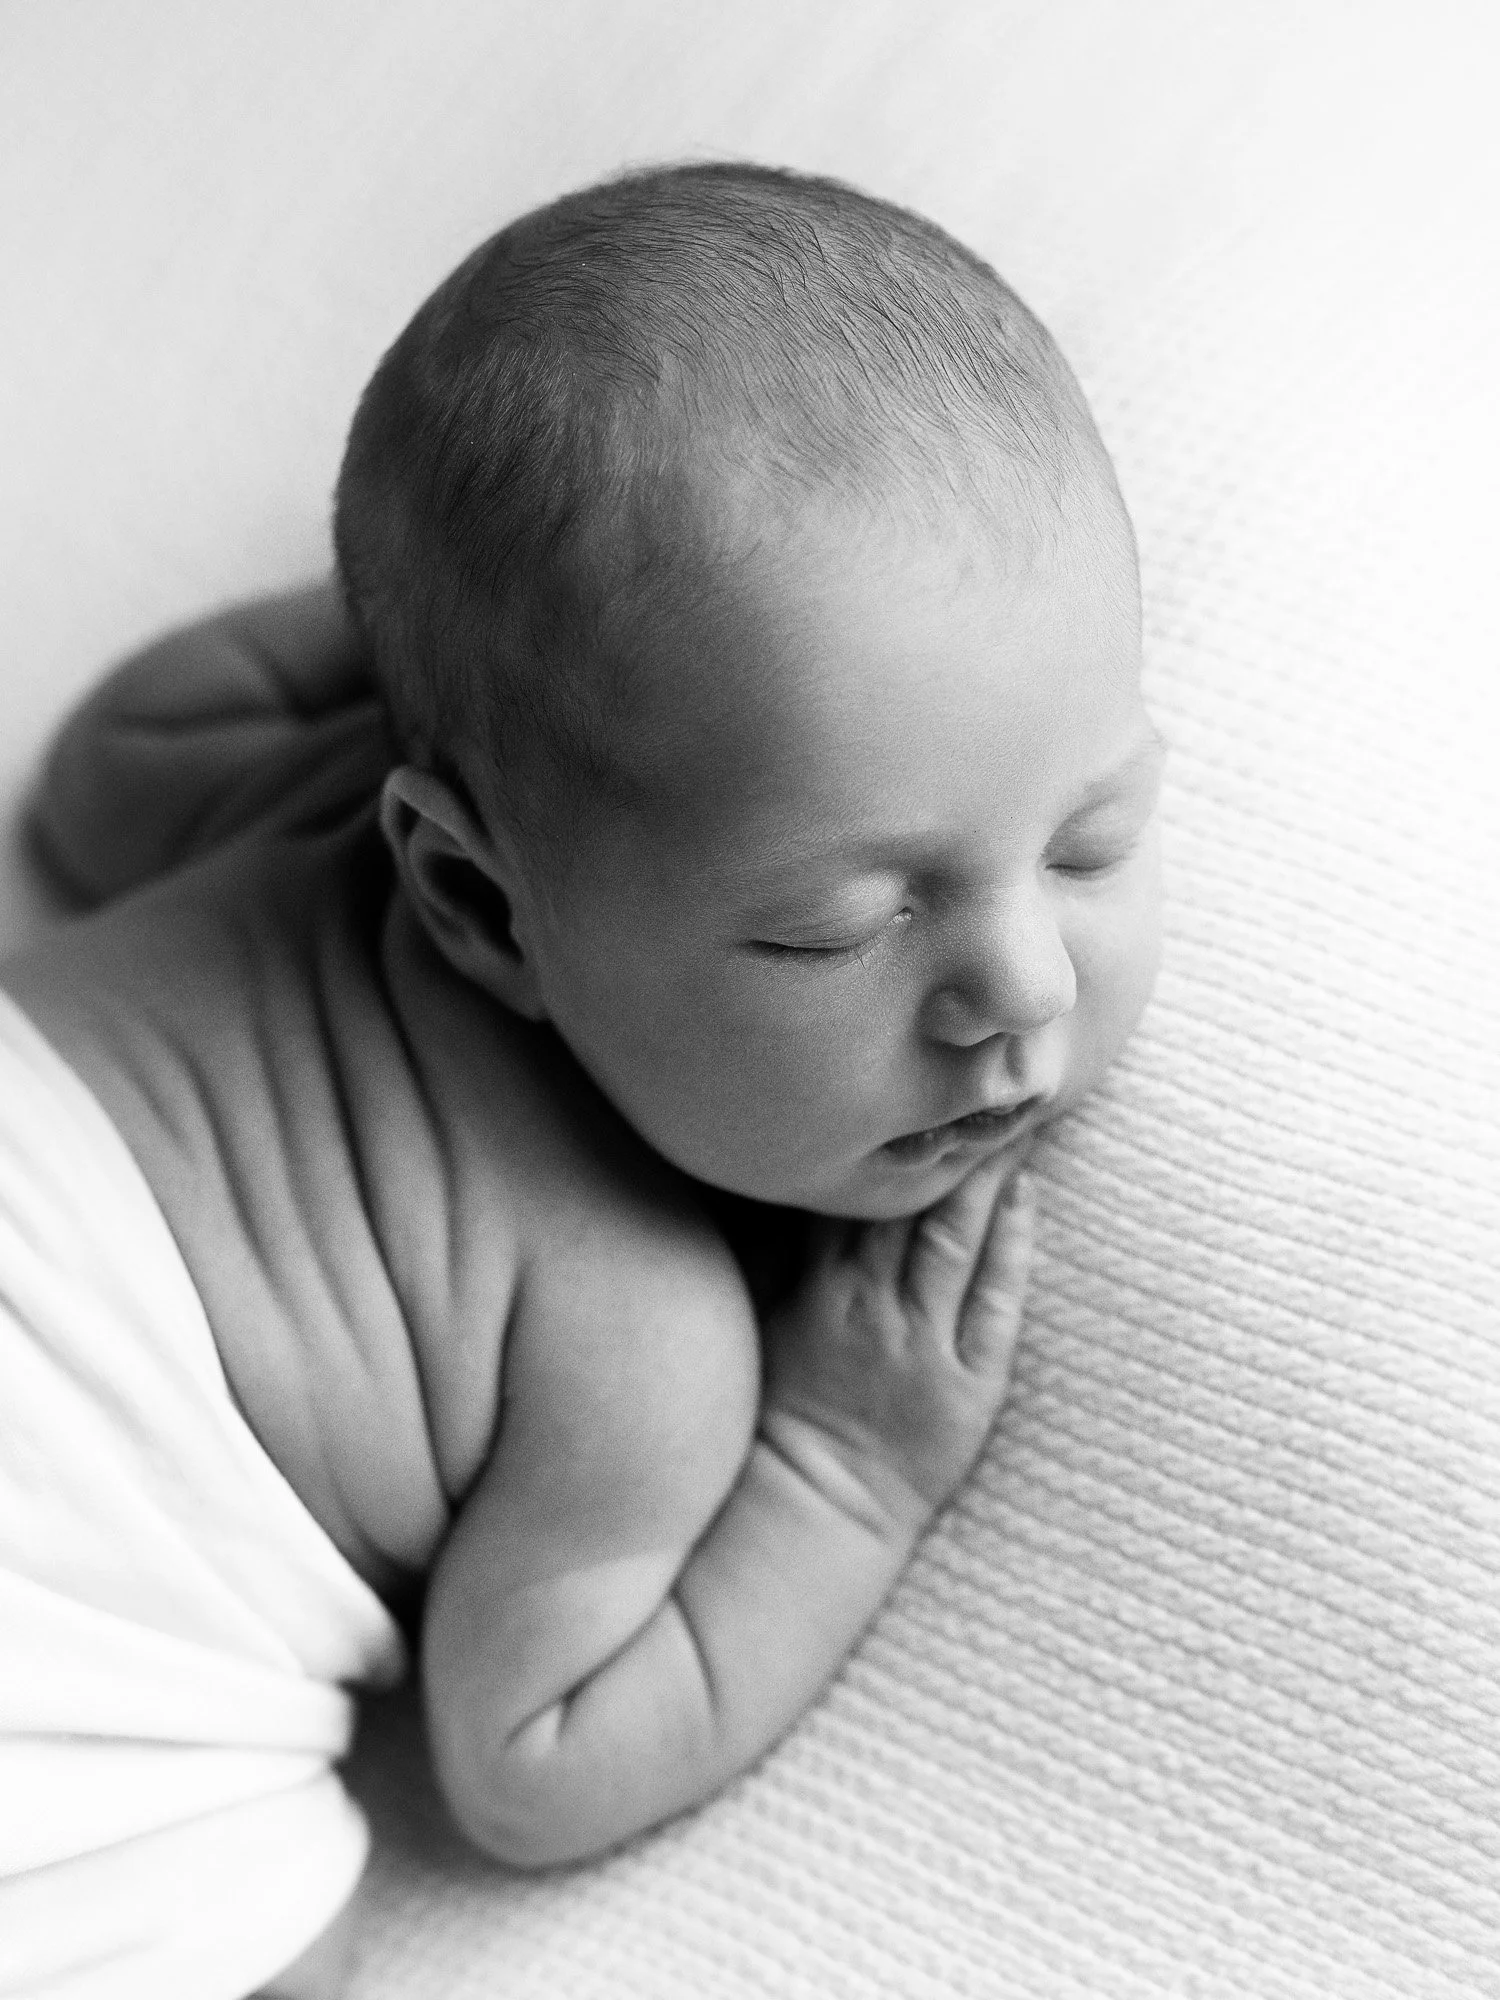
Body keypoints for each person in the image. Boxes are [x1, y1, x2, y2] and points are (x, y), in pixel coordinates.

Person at [0, 162, 1165, 1998]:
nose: (1017, 985)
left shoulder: (279, 790)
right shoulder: (638, 1333)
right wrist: (841, 1469)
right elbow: (526, 1764)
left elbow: (97, 767)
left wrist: (460, 647)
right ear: (474, 898)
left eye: (1093, 836)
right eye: (834, 930)